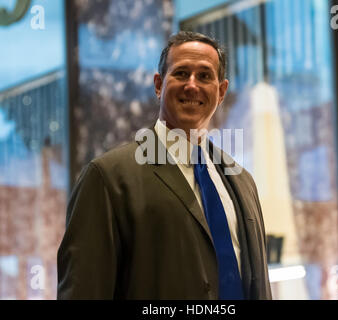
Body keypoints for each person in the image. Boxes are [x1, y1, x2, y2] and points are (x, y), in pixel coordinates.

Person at [57, 31, 272, 300]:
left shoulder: (242, 181)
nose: (192, 85)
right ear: (158, 85)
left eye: (204, 76)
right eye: (181, 73)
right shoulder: (108, 178)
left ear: (221, 91)